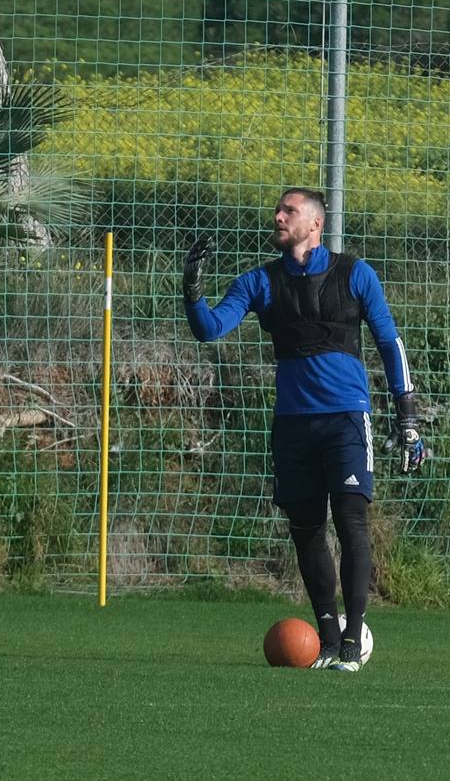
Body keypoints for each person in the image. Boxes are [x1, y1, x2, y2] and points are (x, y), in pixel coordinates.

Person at [182, 188, 425, 672]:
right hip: (292, 425)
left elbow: (389, 341)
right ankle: (329, 640)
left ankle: (354, 643)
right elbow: (209, 329)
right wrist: (191, 289)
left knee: (352, 522)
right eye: (277, 209)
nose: (277, 216)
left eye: (288, 211)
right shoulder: (261, 281)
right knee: (306, 531)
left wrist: (408, 416)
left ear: (315, 223)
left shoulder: (356, 274)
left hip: (346, 419)